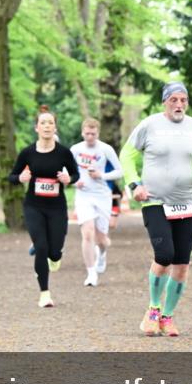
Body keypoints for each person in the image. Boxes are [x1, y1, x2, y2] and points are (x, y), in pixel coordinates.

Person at [120, 82, 192, 337]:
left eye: (183, 100)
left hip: (186, 202)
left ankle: (168, 316)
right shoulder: (149, 125)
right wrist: (134, 185)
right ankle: (153, 309)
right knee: (164, 255)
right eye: (173, 100)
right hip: (154, 200)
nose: (179, 105)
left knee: (182, 264)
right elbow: (127, 156)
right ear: (164, 101)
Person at [9, 106, 80, 308]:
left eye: (50, 123)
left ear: (55, 128)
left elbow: (76, 175)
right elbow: (12, 176)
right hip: (34, 206)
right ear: (36, 128)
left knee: (54, 251)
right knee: (41, 247)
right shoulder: (27, 153)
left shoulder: (64, 152)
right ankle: (44, 293)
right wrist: (20, 177)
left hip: (57, 207)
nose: (47, 126)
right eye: (43, 123)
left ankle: (55, 255)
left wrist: (69, 178)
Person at [70, 118, 124, 287]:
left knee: (101, 239)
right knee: (87, 233)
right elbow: (66, 170)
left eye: (93, 134)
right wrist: (74, 181)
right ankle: (91, 273)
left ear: (98, 133)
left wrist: (102, 175)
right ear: (82, 132)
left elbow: (120, 171)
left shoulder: (106, 149)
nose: (90, 136)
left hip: (102, 196)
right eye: (87, 133)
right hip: (83, 195)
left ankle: (102, 252)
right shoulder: (76, 149)